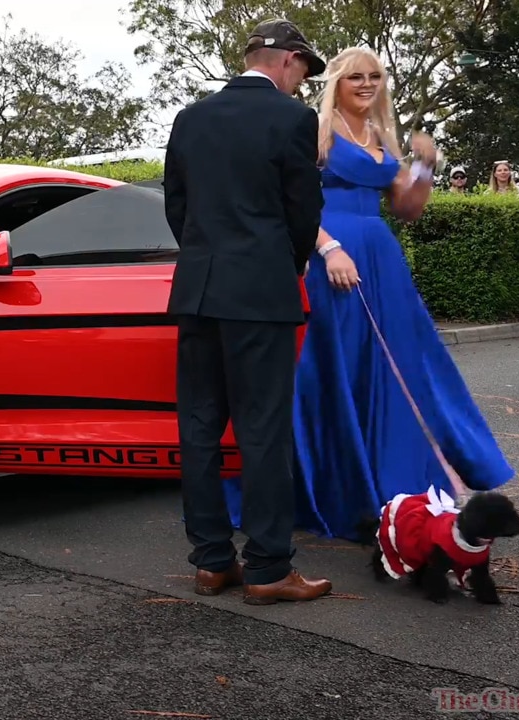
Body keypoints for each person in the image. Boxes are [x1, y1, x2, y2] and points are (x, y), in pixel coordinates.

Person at [222, 47, 515, 544]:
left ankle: (394, 484)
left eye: (375, 76)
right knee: (335, 369)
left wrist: (424, 164)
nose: (366, 84)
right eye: (355, 76)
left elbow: (408, 208)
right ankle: (334, 486)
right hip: (329, 257)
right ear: (335, 80)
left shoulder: (381, 136)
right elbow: (284, 198)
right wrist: (328, 248)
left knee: (401, 369)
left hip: (381, 260)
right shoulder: (314, 128)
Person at [164, 18, 333, 605]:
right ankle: (267, 567)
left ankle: (211, 562)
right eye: (303, 72)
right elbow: (302, 212)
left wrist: (207, 258)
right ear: (287, 59)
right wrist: (280, 267)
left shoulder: (191, 118)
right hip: (259, 292)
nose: (301, 84)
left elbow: (176, 207)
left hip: (198, 291)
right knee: (262, 430)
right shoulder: (292, 119)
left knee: (200, 427)